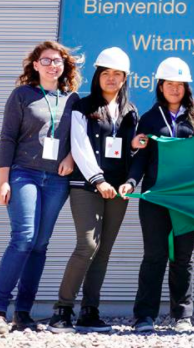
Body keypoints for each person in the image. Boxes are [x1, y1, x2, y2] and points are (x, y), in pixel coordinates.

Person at [0, 41, 81, 335]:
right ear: (36, 65)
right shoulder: (22, 95)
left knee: (40, 245)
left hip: (56, 179)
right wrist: (3, 181)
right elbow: (7, 139)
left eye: (58, 61)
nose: (53, 65)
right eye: (47, 60)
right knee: (23, 237)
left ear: (65, 67)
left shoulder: (73, 99)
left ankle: (23, 313)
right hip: (24, 173)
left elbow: (81, 138)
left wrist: (70, 157)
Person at [47, 47, 138, 333]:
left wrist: (127, 182)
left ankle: (90, 311)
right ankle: (62, 310)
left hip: (118, 191)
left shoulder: (130, 112)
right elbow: (79, 145)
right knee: (87, 244)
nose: (111, 79)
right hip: (86, 185)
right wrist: (99, 180)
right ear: (98, 75)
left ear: (125, 79)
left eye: (118, 75)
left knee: (104, 250)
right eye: (106, 73)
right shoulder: (82, 106)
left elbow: (131, 154)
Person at [116, 57, 194, 333]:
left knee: (182, 258)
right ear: (160, 86)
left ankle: (182, 316)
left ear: (187, 87)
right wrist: (131, 182)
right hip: (154, 197)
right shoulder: (150, 118)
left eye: (180, 84)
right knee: (154, 256)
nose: (175, 89)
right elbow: (141, 157)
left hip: (186, 200)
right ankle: (144, 316)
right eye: (170, 84)